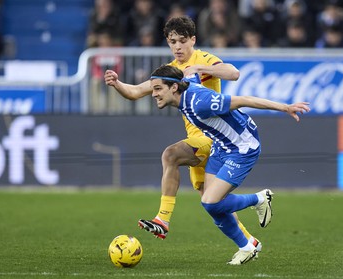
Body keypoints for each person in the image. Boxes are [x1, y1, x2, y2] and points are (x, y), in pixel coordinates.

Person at [104, 16, 262, 252]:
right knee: (211, 202)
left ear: (193, 40)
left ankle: (163, 219)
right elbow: (136, 91)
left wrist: (200, 69)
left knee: (170, 155)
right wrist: (118, 84)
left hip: (213, 137)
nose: (177, 46)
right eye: (172, 42)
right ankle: (250, 242)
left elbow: (233, 73)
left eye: (182, 41)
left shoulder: (203, 59)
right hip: (197, 140)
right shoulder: (170, 72)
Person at [149, 64, 310, 265]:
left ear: (173, 88)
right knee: (212, 206)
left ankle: (259, 199)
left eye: (157, 89)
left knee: (210, 201)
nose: (153, 94)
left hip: (243, 147)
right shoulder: (186, 87)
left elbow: (244, 100)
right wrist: (194, 68)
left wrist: (285, 107)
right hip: (221, 146)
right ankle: (247, 247)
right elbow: (192, 74)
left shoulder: (201, 103)